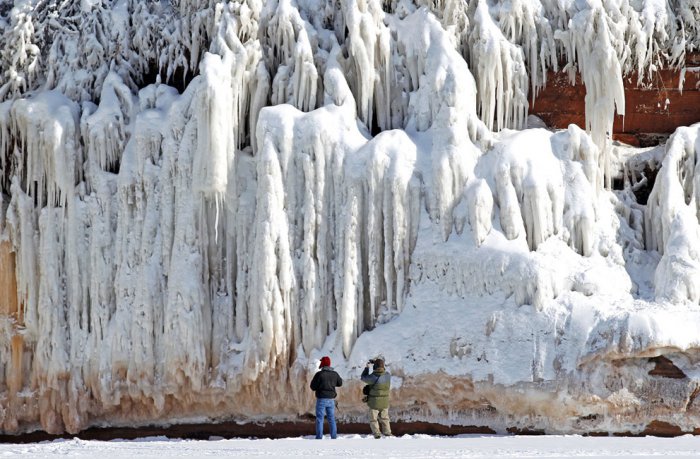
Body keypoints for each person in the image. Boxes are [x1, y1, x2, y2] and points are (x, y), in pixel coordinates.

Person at [309, 356, 343, 439]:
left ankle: (319, 437)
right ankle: (334, 437)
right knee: (331, 419)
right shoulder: (335, 374)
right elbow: (340, 383)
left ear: (323, 364)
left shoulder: (319, 374)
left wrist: (320, 386)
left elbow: (312, 387)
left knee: (320, 419)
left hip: (321, 399)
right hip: (331, 400)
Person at [361, 357, 392, 438]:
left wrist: (367, 367)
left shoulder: (373, 377)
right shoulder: (388, 375)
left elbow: (363, 378)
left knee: (373, 419)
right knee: (385, 418)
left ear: (375, 367)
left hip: (374, 402)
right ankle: (387, 432)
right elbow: (382, 371)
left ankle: (377, 434)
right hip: (384, 402)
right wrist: (377, 363)